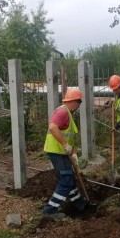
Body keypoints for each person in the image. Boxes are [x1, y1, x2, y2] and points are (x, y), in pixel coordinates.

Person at [43, 88, 87, 218]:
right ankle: (50, 210)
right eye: (79, 104)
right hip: (57, 152)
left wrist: (73, 154)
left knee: (69, 179)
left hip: (62, 152)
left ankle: (79, 204)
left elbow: (70, 137)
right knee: (66, 180)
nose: (78, 107)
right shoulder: (62, 112)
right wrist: (65, 144)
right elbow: (52, 127)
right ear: (75, 102)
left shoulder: (68, 113)